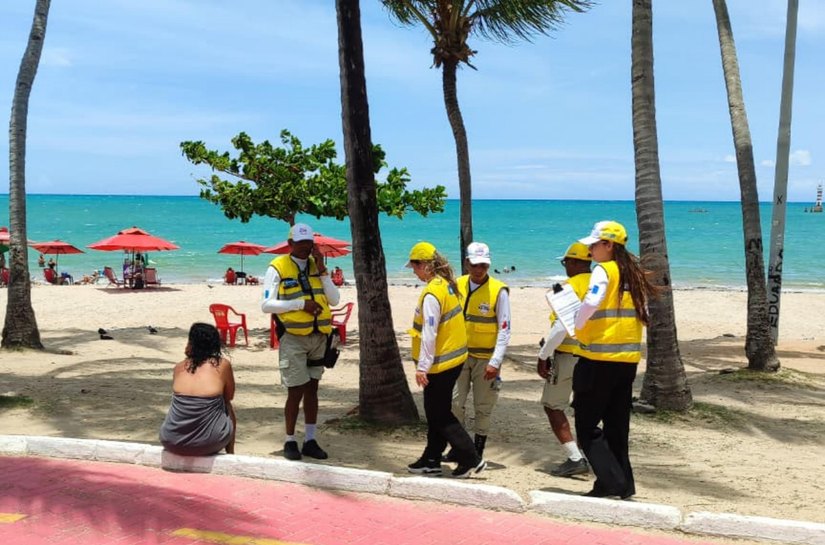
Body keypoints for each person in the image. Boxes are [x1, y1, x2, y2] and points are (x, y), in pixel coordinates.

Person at [572, 220, 658, 499]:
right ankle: (623, 484)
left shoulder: (603, 271)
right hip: (627, 360)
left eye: (594, 246)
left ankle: (610, 481)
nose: (590, 251)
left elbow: (591, 303)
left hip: (598, 358)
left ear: (609, 245)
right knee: (616, 426)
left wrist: (576, 323)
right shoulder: (632, 274)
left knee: (586, 427)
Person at [406, 241, 486, 478]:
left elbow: (430, 333)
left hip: (440, 363)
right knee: (435, 412)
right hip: (453, 359)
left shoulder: (432, 292)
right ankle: (431, 459)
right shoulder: (446, 285)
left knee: (439, 414)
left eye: (415, 266)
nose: (414, 271)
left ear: (425, 266)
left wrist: (423, 367)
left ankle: (471, 457)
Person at [261, 223, 340, 461]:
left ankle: (310, 439)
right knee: (295, 390)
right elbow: (266, 305)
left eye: (309, 243)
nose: (306, 248)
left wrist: (323, 271)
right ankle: (289, 440)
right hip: (294, 338)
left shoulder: (318, 267)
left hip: (318, 337)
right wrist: (300, 304)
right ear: (291, 244)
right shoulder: (278, 267)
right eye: (301, 243)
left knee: (313, 389)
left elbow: (334, 299)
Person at [448, 242, 510, 460]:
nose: (479, 269)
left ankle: (477, 451)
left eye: (483, 265)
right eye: (475, 265)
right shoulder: (456, 285)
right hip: (460, 357)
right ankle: (460, 447)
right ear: (467, 263)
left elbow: (504, 329)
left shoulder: (498, 291)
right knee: (455, 403)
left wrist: (495, 361)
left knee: (483, 407)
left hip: (486, 359)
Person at [537, 242, 592, 477]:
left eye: (566, 261)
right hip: (594, 357)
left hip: (568, 356)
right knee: (586, 408)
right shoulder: (603, 285)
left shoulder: (567, 288)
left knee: (553, 405)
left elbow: (560, 329)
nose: (565, 266)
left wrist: (543, 355)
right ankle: (590, 453)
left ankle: (575, 457)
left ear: (574, 262)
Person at [159, 322, 236, 456]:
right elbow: (229, 396)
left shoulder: (179, 367)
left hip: (171, 441)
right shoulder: (222, 365)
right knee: (227, 405)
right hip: (209, 443)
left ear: (191, 343)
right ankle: (231, 453)